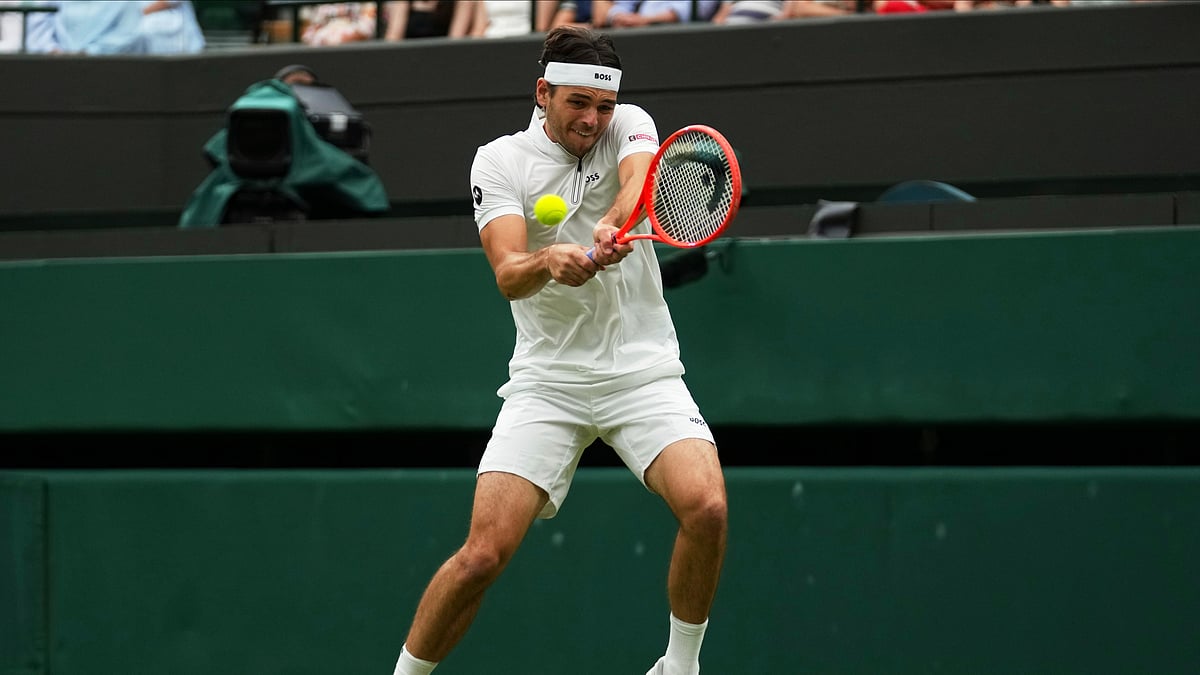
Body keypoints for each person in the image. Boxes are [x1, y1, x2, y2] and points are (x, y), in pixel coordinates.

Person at [390, 24, 728, 675]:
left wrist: (612, 222)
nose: (593, 120)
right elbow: (508, 272)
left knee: (707, 506)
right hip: (547, 382)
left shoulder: (630, 123)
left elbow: (639, 183)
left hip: (641, 371)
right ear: (543, 93)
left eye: (603, 106)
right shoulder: (499, 161)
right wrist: (549, 260)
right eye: (578, 103)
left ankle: (679, 666)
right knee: (482, 556)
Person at [383, 0, 472, 40]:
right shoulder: (404, 3)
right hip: (409, 59)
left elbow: (455, 41)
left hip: (444, 59)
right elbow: (393, 38)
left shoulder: (460, 2)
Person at [597, 0, 720, 27]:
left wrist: (645, 20)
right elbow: (622, 5)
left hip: (683, 38)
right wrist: (618, 16)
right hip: (636, 32)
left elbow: (684, 12)